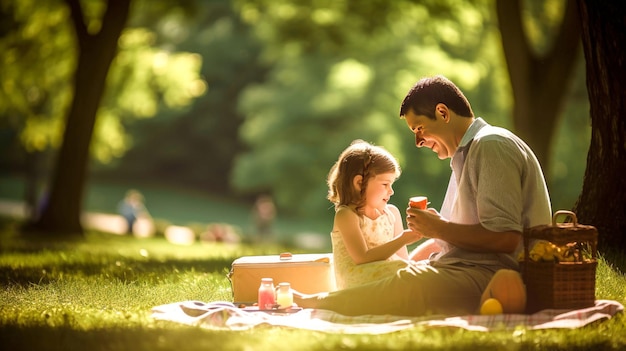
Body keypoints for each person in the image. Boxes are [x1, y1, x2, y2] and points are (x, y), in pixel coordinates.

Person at [293, 75, 552, 316]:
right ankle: (326, 300)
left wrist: (439, 228)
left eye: (419, 128)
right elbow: (464, 237)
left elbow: (506, 239)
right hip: (468, 267)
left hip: (494, 272)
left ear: (442, 113)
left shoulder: (490, 146)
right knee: (406, 275)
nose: (418, 141)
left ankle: (321, 303)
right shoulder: (466, 155)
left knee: (411, 284)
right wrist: (437, 230)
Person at [326, 140, 420, 289]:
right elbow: (362, 258)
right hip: (357, 283)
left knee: (418, 271)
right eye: (385, 184)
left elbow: (403, 260)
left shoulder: (392, 214)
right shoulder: (347, 215)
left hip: (386, 277)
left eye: (391, 184)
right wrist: (403, 239)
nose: (391, 191)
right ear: (359, 183)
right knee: (404, 272)